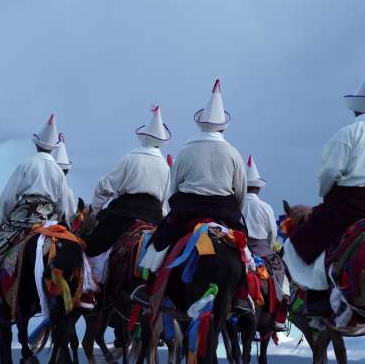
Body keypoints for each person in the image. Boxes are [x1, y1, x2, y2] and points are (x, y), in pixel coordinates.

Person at [284, 63, 365, 314]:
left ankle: (318, 298)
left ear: (355, 108)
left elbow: (330, 172)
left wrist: (326, 193)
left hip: (348, 205)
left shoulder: (347, 134)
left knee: (304, 240)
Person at [140, 79, 248, 274]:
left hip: (187, 211)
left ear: (201, 125)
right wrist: (234, 214)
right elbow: (240, 192)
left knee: (159, 244)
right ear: (224, 127)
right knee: (244, 251)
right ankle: (243, 295)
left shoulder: (186, 150)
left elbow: (173, 188)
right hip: (224, 211)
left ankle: (149, 284)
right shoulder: (234, 153)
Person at [0, 114, 75, 309]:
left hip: (23, 220)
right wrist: (62, 221)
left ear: (36, 144)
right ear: (53, 148)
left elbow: (7, 198)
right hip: (49, 222)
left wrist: (4, 220)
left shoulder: (26, 164)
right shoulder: (57, 170)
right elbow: (63, 205)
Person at [86, 106, 171, 286]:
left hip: (124, 214)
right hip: (154, 218)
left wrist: (97, 209)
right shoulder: (164, 166)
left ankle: (90, 290)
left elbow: (105, 185)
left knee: (92, 250)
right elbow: (165, 199)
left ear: (143, 137)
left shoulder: (130, 158)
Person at [241, 155, 289, 331]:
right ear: (258, 189)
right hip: (262, 248)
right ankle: (280, 317)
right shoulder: (265, 207)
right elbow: (272, 233)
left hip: (239, 247)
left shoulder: (236, 204)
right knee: (280, 273)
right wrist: (269, 248)